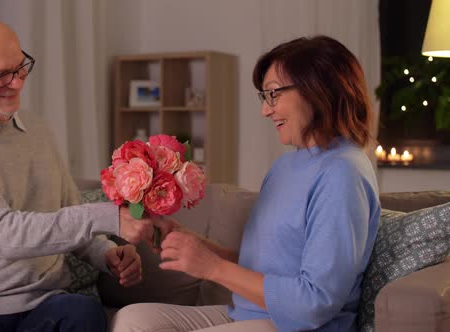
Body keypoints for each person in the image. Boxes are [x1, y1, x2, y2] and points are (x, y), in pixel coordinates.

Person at [110, 35, 381, 332]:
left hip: (300, 327)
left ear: (317, 89)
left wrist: (212, 268)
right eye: (264, 97)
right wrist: (191, 243)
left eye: (274, 94)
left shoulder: (343, 173)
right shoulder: (286, 166)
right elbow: (262, 268)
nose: (266, 110)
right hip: (248, 315)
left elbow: (315, 302)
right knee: (133, 319)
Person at [0, 14, 163, 332]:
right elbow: (3, 234)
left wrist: (107, 254)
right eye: (0, 76)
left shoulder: (39, 131)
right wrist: (109, 216)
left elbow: (68, 216)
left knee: (85, 312)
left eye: (20, 67)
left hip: (44, 303)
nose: (17, 83)